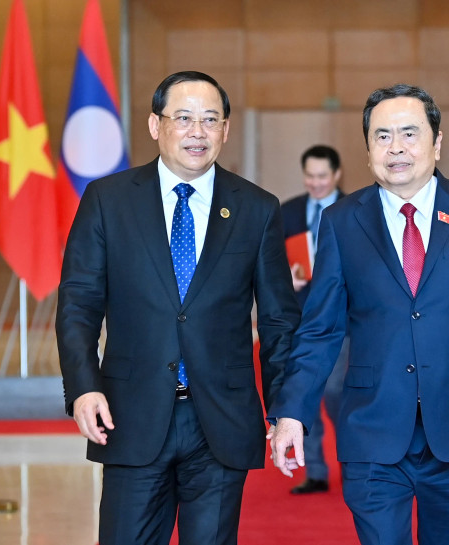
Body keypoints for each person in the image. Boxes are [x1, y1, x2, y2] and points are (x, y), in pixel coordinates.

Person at [268, 84, 449, 545]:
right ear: (368, 149)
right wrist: (292, 411)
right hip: (372, 430)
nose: (396, 148)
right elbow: (320, 328)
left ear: (437, 142)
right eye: (382, 136)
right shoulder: (342, 221)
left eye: (410, 134)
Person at [56, 71, 300, 545]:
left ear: (225, 130)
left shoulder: (257, 208)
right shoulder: (108, 200)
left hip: (221, 419)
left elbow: (278, 320)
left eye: (210, 120)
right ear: (156, 125)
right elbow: (78, 305)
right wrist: (83, 387)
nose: (197, 132)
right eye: (183, 118)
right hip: (131, 413)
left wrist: (285, 409)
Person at [280, 145, 347, 494]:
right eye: (310, 176)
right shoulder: (288, 211)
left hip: (343, 319)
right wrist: (284, 278)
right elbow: (269, 263)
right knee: (305, 394)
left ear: (336, 175)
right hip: (301, 317)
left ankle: (352, 460)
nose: (316, 183)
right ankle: (316, 471)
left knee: (337, 392)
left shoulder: (356, 210)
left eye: (322, 176)